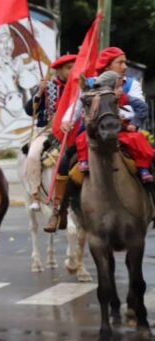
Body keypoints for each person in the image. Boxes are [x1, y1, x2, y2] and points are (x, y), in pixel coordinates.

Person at [47, 47, 149, 231]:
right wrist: (65, 121)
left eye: (125, 62)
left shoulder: (131, 85)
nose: (124, 66)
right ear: (107, 66)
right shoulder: (89, 84)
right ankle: (58, 210)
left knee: (149, 155)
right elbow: (76, 107)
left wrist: (123, 117)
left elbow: (138, 108)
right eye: (120, 62)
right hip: (93, 134)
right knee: (64, 162)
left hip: (123, 132)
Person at [23, 54, 76, 210]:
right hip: (47, 132)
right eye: (69, 68)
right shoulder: (47, 87)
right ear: (59, 70)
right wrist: (39, 92)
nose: (73, 71)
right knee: (33, 155)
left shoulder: (78, 87)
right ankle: (35, 195)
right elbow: (29, 111)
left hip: (71, 131)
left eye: (74, 67)